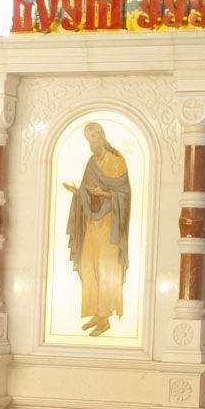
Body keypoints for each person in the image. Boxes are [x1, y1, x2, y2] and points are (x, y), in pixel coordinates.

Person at [64, 122, 131, 338]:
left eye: (92, 138)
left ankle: (105, 317)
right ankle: (96, 314)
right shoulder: (91, 162)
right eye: (87, 139)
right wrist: (77, 193)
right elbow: (87, 190)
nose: (90, 143)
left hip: (110, 224)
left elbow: (124, 194)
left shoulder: (117, 160)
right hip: (92, 224)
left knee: (105, 267)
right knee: (89, 264)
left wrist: (104, 194)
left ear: (101, 136)